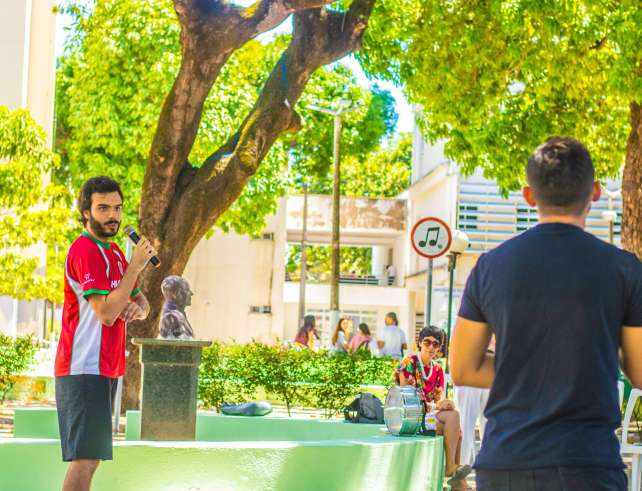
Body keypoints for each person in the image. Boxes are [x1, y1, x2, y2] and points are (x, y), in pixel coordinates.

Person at [450, 137, 642, 491]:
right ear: (595, 192)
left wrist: (524, 370)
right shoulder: (625, 269)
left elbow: (463, 368)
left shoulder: (489, 267)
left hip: (506, 462)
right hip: (588, 464)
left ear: (529, 196)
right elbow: (639, 369)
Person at [54, 176, 157, 491]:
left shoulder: (114, 253)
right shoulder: (84, 250)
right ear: (86, 212)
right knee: (85, 459)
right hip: (83, 365)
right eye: (103, 208)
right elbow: (107, 313)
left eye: (117, 208)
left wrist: (138, 309)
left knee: (92, 457)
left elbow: (141, 302)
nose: (113, 215)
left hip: (106, 367)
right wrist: (135, 267)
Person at [396, 326, 472, 490]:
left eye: (436, 344)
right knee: (455, 426)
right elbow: (406, 397)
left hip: (429, 417)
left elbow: (437, 400)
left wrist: (444, 403)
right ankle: (453, 473)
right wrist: (437, 405)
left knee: (454, 421)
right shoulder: (409, 363)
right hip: (410, 418)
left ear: (439, 348)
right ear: (419, 343)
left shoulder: (437, 369)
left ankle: (455, 476)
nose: (431, 347)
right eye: (427, 342)